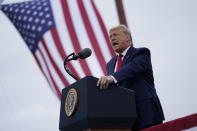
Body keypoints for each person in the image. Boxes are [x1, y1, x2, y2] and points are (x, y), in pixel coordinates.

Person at [97, 25, 165, 131]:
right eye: (110, 37)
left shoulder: (141, 53)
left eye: (115, 35)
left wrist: (112, 77)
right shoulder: (110, 64)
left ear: (127, 38)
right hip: (124, 122)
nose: (112, 39)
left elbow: (132, 68)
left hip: (146, 115)